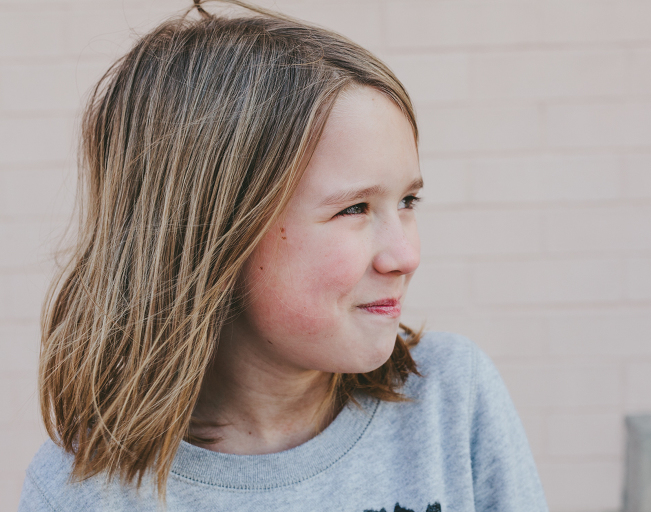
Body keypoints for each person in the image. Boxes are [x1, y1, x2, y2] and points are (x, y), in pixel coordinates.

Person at [19, 1, 548, 510]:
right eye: (355, 209)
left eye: (408, 201)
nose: (405, 256)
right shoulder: (84, 493)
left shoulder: (451, 399)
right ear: (215, 234)